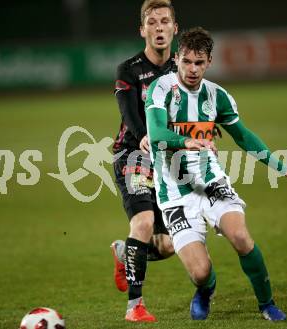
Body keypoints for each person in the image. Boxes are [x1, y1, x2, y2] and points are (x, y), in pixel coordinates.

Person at [145, 27, 287, 321]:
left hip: (211, 181)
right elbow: (157, 132)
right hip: (174, 192)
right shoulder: (160, 89)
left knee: (240, 236)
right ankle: (205, 288)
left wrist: (284, 168)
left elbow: (244, 136)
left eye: (199, 63)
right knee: (200, 272)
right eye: (186, 61)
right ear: (177, 58)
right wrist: (186, 140)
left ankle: (267, 304)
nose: (192, 69)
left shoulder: (217, 96)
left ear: (209, 62)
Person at [110, 0, 178, 323]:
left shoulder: (182, 69)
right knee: (144, 223)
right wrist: (144, 139)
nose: (159, 27)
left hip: (168, 160)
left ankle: (126, 252)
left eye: (165, 21)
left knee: (168, 245)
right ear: (142, 30)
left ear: (174, 28)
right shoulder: (129, 70)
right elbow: (130, 116)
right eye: (152, 22)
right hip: (133, 154)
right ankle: (134, 307)